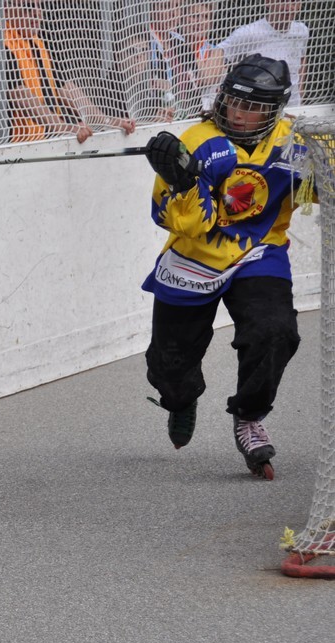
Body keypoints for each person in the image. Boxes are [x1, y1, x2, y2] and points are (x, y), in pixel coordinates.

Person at [139, 54, 312, 480]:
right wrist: (183, 180)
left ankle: (249, 416)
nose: (238, 112)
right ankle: (180, 400)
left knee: (276, 331)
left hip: (259, 252)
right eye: (234, 101)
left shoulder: (294, 141)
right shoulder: (196, 141)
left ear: (274, 111)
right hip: (194, 259)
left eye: (252, 107)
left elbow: (319, 191)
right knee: (170, 367)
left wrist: (325, 160)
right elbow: (181, 223)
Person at [3, 0, 136, 144]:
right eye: (27, 7)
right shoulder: (1, 45)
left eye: (39, 6)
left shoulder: (38, 45)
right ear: (6, 10)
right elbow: (20, 94)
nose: (37, 13)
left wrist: (108, 121)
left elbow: (65, 89)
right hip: (11, 145)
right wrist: (65, 127)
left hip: (37, 142)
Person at [213, 0, 308, 107]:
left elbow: (302, 58)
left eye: (294, 2)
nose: (288, 8)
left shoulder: (302, 31)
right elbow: (220, 52)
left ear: (300, 5)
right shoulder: (249, 33)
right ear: (268, 2)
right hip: (258, 108)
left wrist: (301, 91)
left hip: (293, 106)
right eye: (282, 1)